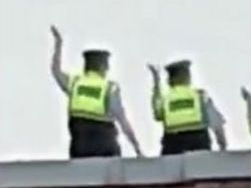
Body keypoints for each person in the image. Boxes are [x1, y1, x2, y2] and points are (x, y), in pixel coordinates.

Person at [49, 26, 142, 158]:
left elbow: (55, 71)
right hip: (105, 149)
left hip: (79, 149)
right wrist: (137, 148)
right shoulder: (109, 88)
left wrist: (58, 44)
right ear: (102, 67)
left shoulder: (75, 84)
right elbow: (123, 122)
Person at [149, 60, 227, 155]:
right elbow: (217, 125)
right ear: (187, 77)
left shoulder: (166, 99)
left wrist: (156, 83)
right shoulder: (199, 96)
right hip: (199, 145)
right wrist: (222, 146)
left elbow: (157, 114)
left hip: (173, 145)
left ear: (170, 80)